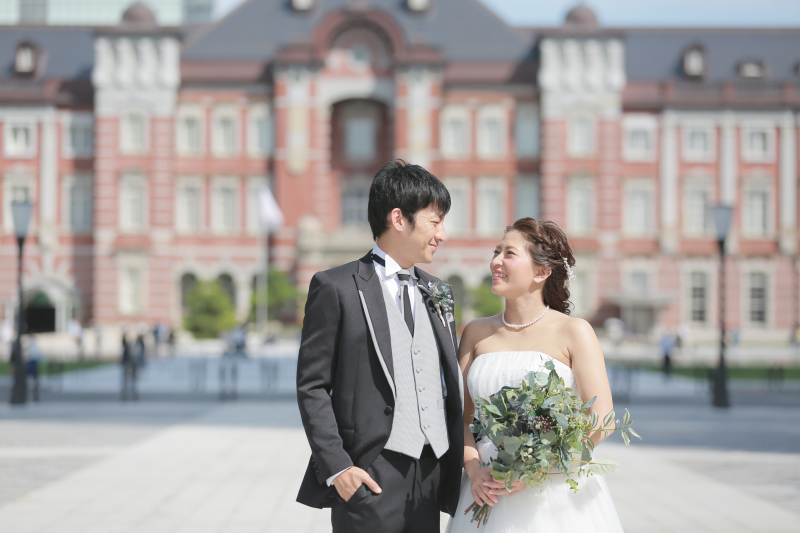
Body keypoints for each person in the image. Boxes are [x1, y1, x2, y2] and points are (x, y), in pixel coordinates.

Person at [296, 160, 464, 533]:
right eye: (435, 222)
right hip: (369, 474)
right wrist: (338, 468)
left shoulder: (440, 292)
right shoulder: (336, 287)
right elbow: (312, 385)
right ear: (399, 219)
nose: (443, 234)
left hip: (430, 477)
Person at [446, 218, 623, 533]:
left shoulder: (575, 331)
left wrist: (534, 470)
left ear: (541, 272)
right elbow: (459, 418)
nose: (496, 261)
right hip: (487, 487)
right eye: (496, 252)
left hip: (554, 497)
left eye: (509, 253)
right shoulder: (475, 332)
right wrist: (474, 471)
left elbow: (603, 420)